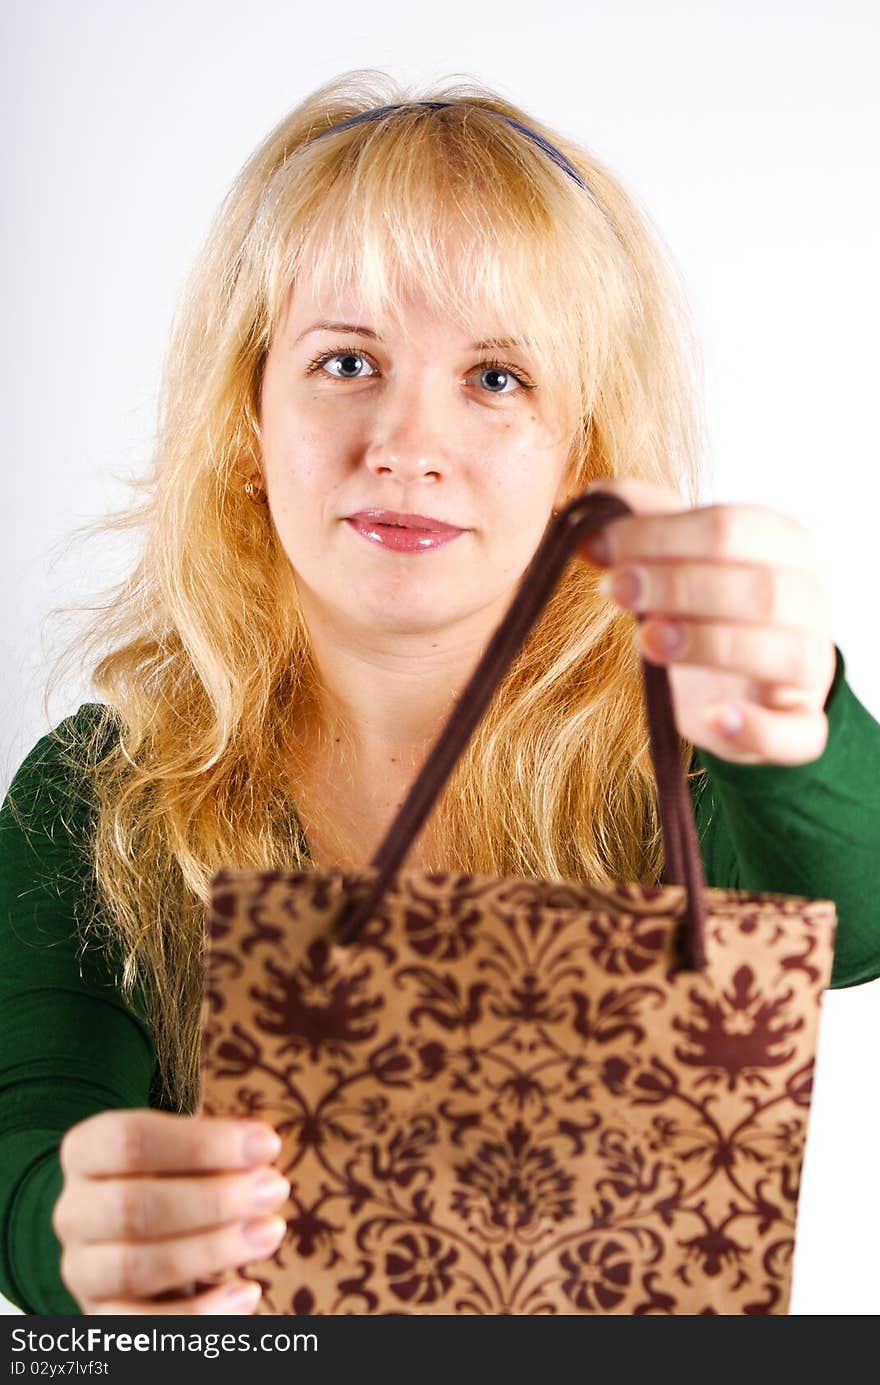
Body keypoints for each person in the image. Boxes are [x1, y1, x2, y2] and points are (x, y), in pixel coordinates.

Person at [1, 70, 878, 1318]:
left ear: (583, 449)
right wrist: (74, 1237)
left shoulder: (676, 744)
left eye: (496, 378)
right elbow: (28, 1138)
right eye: (346, 359)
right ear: (247, 423)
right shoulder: (98, 786)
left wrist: (793, 718)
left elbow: (863, 909)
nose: (407, 440)